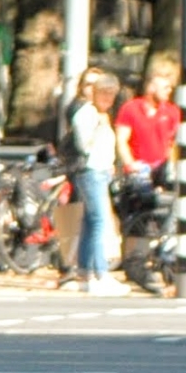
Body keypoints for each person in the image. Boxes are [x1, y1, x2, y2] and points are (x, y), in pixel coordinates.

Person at [61, 66, 127, 294]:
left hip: (100, 172)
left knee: (91, 222)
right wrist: (98, 128)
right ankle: (101, 273)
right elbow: (84, 145)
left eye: (112, 94)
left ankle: (85, 273)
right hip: (90, 172)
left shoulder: (102, 115)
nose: (108, 98)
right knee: (99, 221)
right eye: (104, 93)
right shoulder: (87, 114)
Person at [116, 66, 178, 172]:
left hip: (162, 171)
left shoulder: (172, 111)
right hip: (139, 170)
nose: (169, 90)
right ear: (152, 88)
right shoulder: (130, 108)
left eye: (170, 87)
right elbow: (121, 141)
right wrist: (130, 164)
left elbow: (174, 142)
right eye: (165, 87)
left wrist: (171, 165)